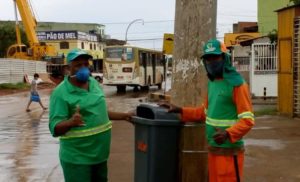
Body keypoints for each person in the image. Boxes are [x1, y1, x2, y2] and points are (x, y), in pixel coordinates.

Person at [161, 39, 255, 182]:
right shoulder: (212, 83)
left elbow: (248, 120)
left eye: (215, 57)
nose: (211, 62)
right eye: (208, 59)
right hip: (213, 149)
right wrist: (180, 110)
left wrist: (228, 133)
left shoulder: (237, 85)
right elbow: (204, 113)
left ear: (225, 58)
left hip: (230, 153)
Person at [49, 48, 133, 182]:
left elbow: (99, 112)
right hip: (77, 159)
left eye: (85, 64)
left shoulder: (93, 83)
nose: (83, 68)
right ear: (67, 68)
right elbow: (55, 128)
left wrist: (124, 116)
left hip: (100, 155)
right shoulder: (60, 93)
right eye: (78, 65)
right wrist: (71, 122)